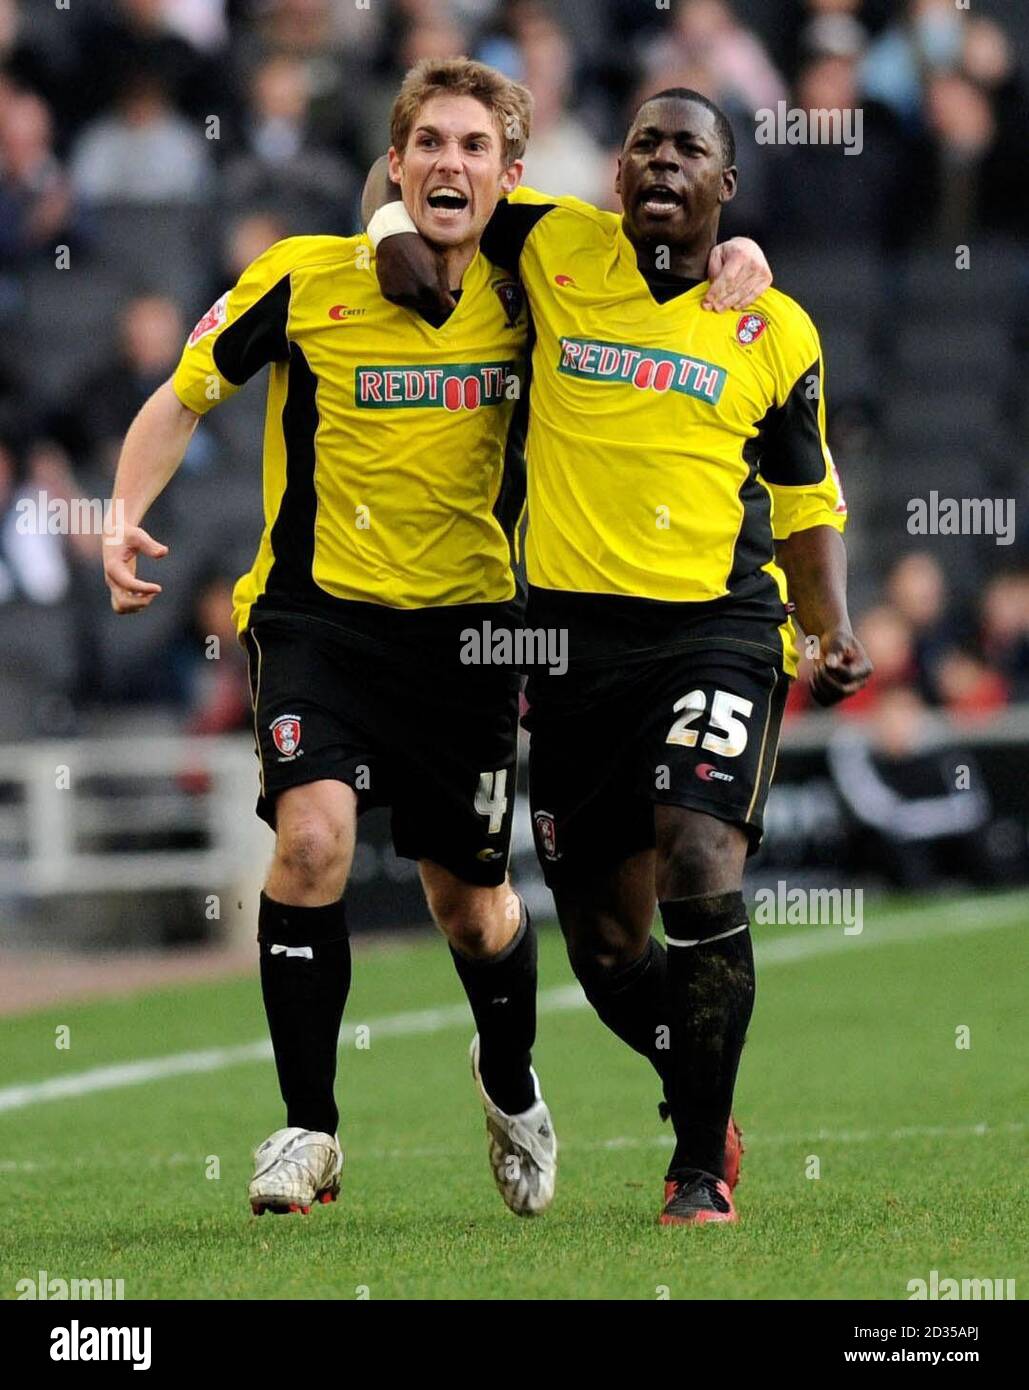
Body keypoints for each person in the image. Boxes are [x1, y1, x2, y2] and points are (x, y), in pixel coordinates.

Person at [371, 86, 872, 1225]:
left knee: (701, 858)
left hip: (717, 627)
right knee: (603, 946)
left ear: (724, 187)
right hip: (568, 642)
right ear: (614, 169)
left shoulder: (776, 326)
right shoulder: (550, 243)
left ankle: (698, 1163)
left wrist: (830, 624)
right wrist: (394, 229)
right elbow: (410, 188)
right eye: (643, 140)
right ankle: (700, 1088)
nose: (660, 159)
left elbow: (805, 500)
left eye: (688, 148)